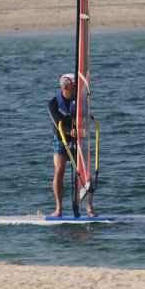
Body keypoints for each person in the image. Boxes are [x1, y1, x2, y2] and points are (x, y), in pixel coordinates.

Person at [48, 72, 97, 218]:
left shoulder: (81, 100)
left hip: (79, 140)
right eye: (76, 86)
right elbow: (59, 123)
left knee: (85, 172)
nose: (78, 89)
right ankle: (59, 208)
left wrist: (80, 127)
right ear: (66, 87)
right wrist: (71, 131)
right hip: (61, 138)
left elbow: (83, 116)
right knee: (59, 170)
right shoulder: (53, 103)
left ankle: (89, 207)